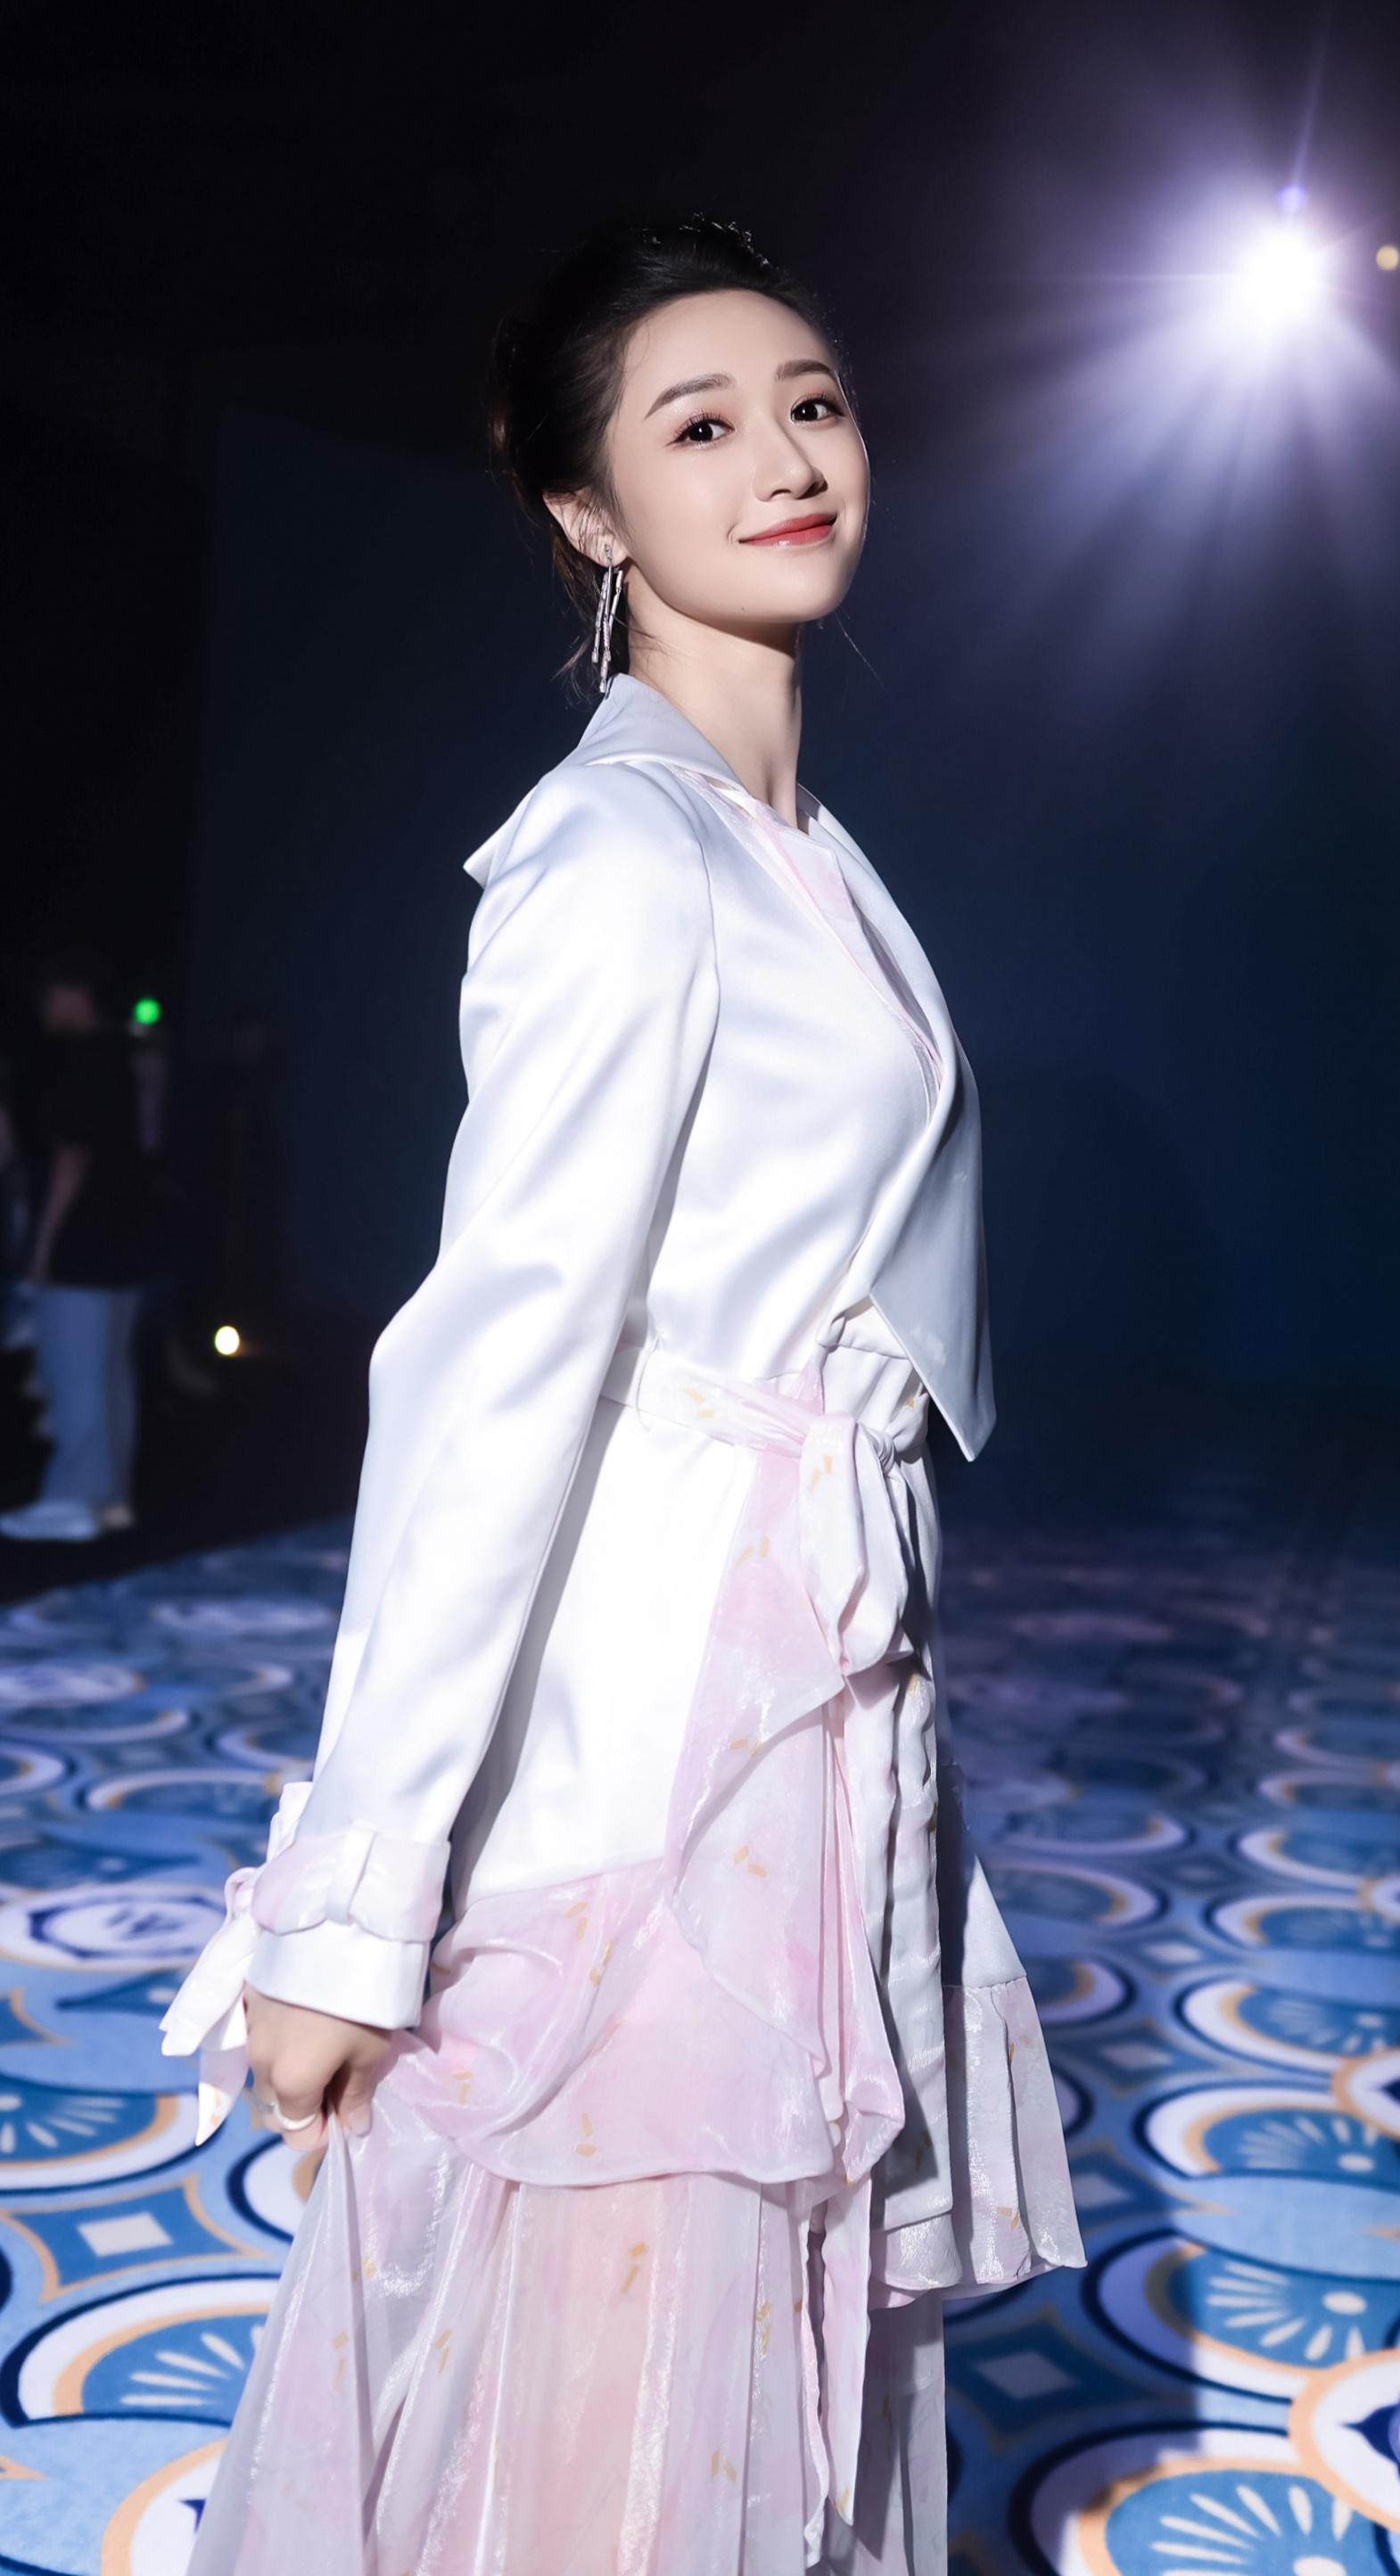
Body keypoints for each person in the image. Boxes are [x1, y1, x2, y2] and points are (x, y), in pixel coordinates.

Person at [159, 218, 1082, 2574]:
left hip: (809, 1695)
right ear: (587, 512)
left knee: (752, 2374)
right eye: (700, 423)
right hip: (660, 1733)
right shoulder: (620, 851)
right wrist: (349, 1914)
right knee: (608, 2366)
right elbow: (493, 1373)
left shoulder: (799, 849)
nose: (784, 453)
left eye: (811, 401)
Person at [0, 951, 161, 1544]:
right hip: (120, 1242)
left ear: (74, 992)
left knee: (77, 1377)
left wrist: (42, 1249)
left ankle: (74, 1499)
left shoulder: (90, 1059)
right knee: (109, 1375)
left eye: (47, 994)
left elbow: (72, 1157)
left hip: (83, 1245)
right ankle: (108, 1500)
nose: (42, 1007)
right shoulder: (123, 1053)